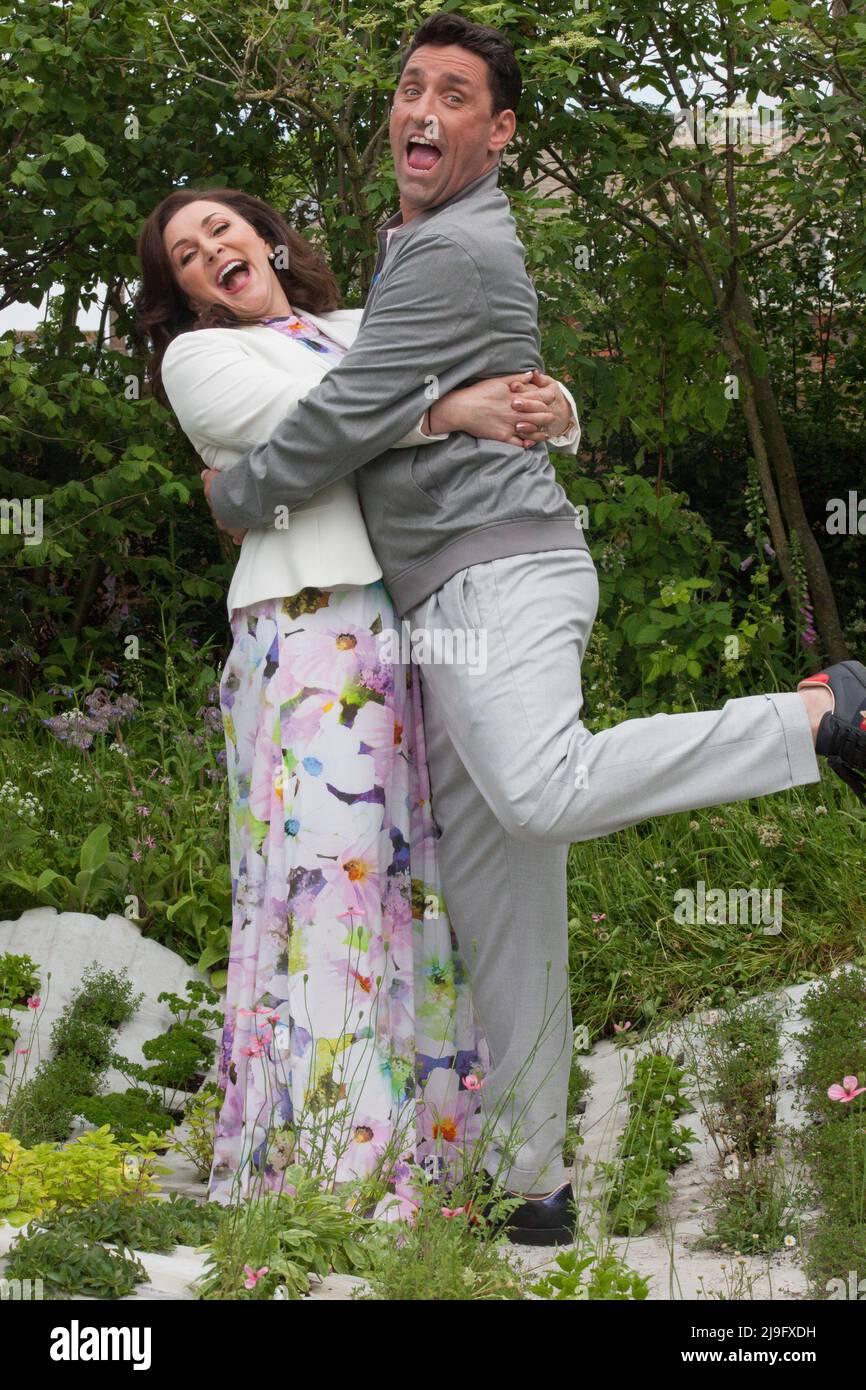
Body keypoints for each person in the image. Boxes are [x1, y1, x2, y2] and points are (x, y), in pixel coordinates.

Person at [201, 11, 866, 1245]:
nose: (420, 110)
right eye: (408, 88)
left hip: (504, 574)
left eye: (452, 95)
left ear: (497, 131)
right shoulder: (411, 246)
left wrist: (237, 497)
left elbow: (344, 415)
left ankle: (818, 715)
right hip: (438, 601)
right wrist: (487, 404)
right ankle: (532, 1182)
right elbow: (407, 397)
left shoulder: (450, 248)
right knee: (507, 908)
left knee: (542, 787)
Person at [135, 184, 581, 1220]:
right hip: (303, 625)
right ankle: (337, 1171)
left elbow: (476, 373)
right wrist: (447, 410)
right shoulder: (199, 361)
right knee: (325, 891)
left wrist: (545, 405)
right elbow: (319, 428)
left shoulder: (356, 326)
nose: (212, 252)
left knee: (406, 887)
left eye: (223, 230)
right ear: (184, 288)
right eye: (189, 254)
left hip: (402, 623)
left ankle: (429, 1149)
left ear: (266, 235)